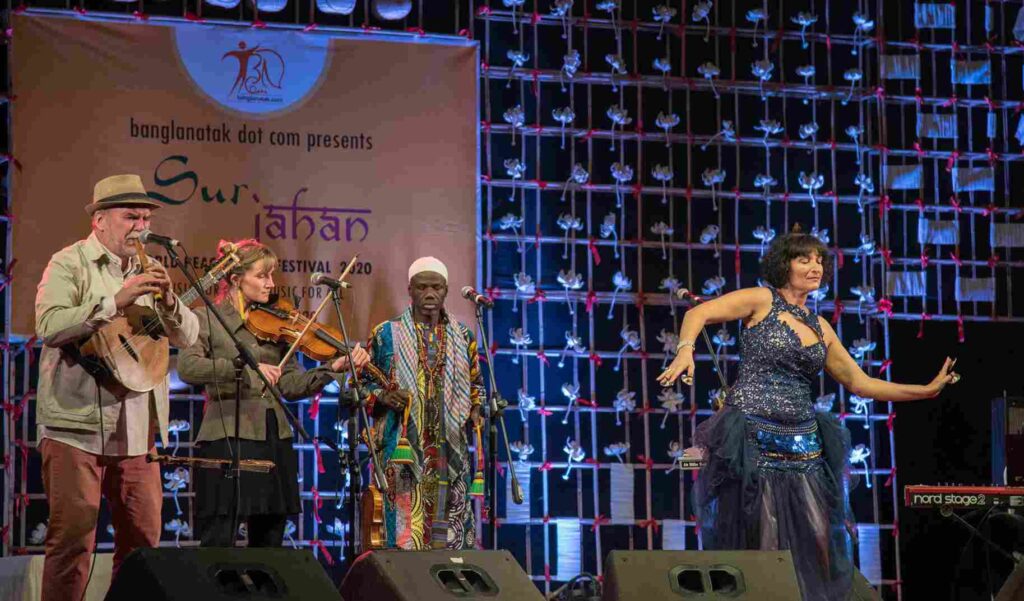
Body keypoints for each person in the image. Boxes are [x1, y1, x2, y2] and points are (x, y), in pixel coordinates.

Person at [658, 229, 958, 600]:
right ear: (784, 264)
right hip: (753, 438)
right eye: (805, 259)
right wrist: (685, 350)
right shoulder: (760, 299)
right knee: (765, 543)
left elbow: (861, 383)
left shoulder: (821, 327)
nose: (815, 266)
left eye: (819, 260)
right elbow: (700, 312)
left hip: (804, 444)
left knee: (819, 541)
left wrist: (926, 390)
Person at [34, 174, 200, 601]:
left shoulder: (150, 268)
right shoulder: (68, 263)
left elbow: (189, 337)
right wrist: (116, 301)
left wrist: (168, 302)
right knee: (73, 544)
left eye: (145, 217)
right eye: (131, 216)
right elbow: (49, 327)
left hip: (138, 429)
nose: (140, 226)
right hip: (76, 428)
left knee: (144, 542)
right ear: (100, 221)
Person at [176, 239, 370, 547]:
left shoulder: (275, 322)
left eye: (272, 275)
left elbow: (290, 386)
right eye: (262, 276)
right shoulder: (205, 318)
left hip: (273, 436)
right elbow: (188, 367)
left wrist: (332, 367)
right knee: (219, 535)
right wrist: (247, 370)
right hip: (227, 435)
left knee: (270, 538)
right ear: (235, 279)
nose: (271, 284)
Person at [360, 256, 484, 550]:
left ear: (446, 290)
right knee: (404, 539)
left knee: (448, 544)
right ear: (409, 290)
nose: (430, 294)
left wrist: (476, 407)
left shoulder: (464, 336)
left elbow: (475, 384)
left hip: (449, 450)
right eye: (422, 287)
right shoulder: (385, 334)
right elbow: (358, 384)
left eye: (436, 287)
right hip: (401, 449)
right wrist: (382, 396)